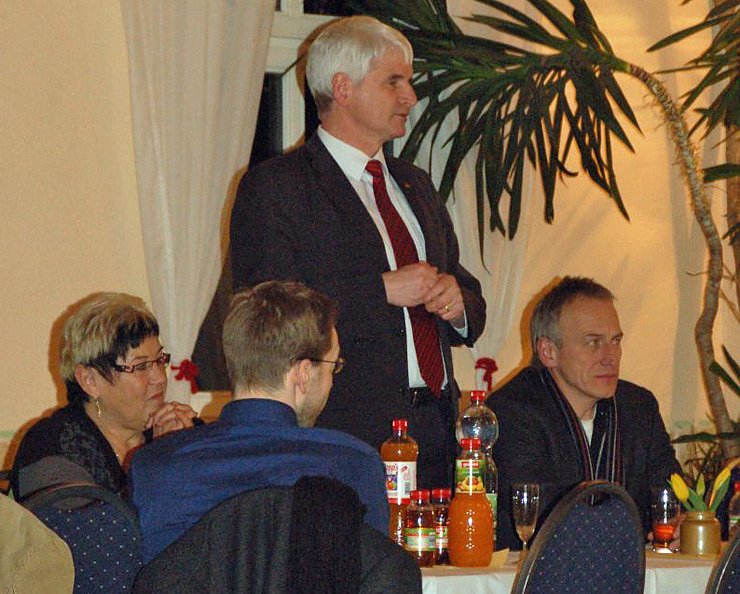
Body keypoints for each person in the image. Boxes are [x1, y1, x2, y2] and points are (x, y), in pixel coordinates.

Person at [229, 15, 486, 489]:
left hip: (436, 430)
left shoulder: (415, 184)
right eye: (394, 82)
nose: (410, 97)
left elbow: (468, 291)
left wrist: (458, 304)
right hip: (342, 437)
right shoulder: (277, 188)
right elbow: (268, 319)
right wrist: (379, 290)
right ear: (342, 88)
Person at [129, 280, 390, 564]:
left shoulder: (153, 466)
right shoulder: (353, 464)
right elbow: (375, 578)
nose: (331, 382)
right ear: (303, 374)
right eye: (333, 366)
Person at [487, 276, 681, 550]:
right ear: (548, 352)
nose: (610, 356)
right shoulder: (513, 410)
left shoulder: (638, 407)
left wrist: (682, 522)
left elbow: (673, 494)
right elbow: (545, 516)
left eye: (615, 341)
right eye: (593, 342)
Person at [11, 292, 198, 500]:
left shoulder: (181, 429)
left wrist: (188, 450)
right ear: (89, 380)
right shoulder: (50, 447)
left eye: (160, 360)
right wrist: (161, 460)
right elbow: (107, 520)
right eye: (140, 366)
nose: (160, 378)